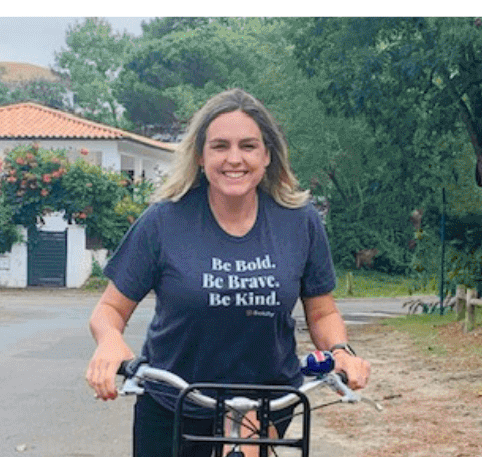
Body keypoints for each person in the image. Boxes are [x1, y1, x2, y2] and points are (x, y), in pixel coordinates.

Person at [84, 90, 369, 456]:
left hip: (263, 400)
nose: (234, 158)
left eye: (248, 146)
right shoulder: (163, 221)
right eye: (220, 146)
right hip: (173, 402)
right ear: (201, 156)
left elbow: (323, 312)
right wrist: (110, 342)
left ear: (267, 155)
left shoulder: (300, 222)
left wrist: (340, 351)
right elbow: (109, 310)